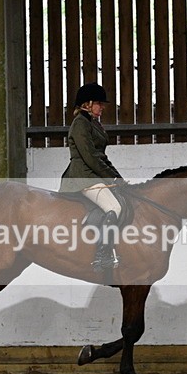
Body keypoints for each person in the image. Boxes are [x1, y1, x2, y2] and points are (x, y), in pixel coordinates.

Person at [60, 82, 125, 271]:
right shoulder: (80, 124)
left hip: (93, 174)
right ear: (87, 104)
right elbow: (90, 157)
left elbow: (101, 156)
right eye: (99, 103)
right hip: (83, 176)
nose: (102, 107)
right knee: (114, 207)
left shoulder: (92, 123)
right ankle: (102, 255)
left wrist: (118, 178)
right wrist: (110, 179)